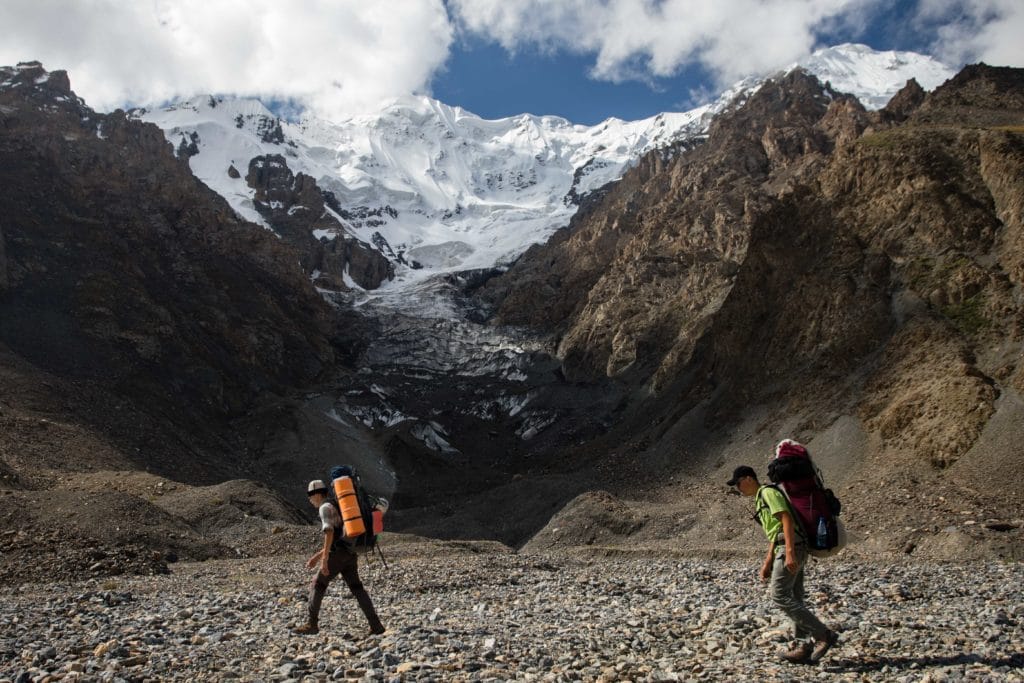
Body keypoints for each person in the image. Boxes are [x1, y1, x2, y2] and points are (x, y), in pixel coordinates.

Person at [727, 465, 838, 664]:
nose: (738, 488)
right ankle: (803, 646)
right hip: (789, 546)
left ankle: (823, 634)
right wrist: (768, 562)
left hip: (791, 546)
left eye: (738, 483)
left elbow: (785, 517)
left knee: (779, 595)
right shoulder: (761, 498)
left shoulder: (767, 492)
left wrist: (789, 552)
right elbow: (775, 530)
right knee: (795, 596)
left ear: (749, 479)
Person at [292, 479, 385, 636]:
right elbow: (339, 538)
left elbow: (329, 533)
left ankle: (312, 624)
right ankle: (376, 625)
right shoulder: (337, 506)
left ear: (318, 494)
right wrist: (317, 556)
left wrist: (324, 560)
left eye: (310, 495)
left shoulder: (325, 508)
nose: (309, 499)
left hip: (338, 555)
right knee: (357, 588)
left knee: (318, 584)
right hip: (350, 553)